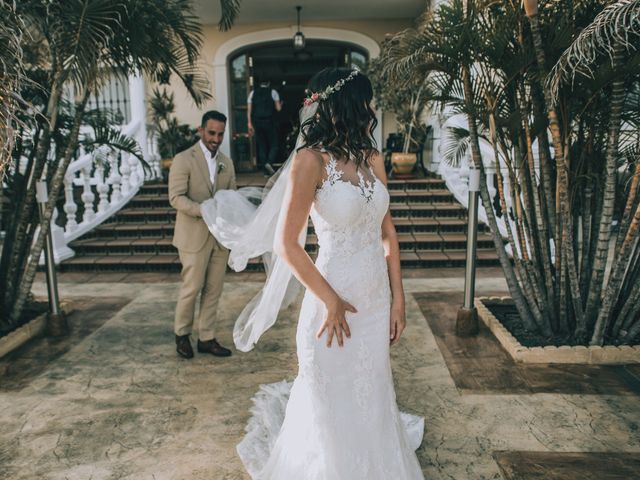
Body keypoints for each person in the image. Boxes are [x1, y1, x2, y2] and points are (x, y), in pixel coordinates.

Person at [202, 68, 424, 479]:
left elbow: (387, 233)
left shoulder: (373, 159)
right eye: (365, 101)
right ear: (346, 105)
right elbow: (288, 244)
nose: (370, 109)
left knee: (372, 396)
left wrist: (399, 300)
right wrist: (331, 301)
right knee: (330, 406)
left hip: (374, 304)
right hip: (330, 303)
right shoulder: (310, 162)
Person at [168, 110, 237, 359]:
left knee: (213, 290)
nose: (216, 139)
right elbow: (175, 197)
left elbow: (231, 198)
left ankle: (206, 338)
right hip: (193, 237)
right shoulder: (184, 159)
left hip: (218, 239)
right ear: (201, 130)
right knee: (192, 287)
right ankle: (182, 334)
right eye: (211, 133)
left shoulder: (226, 163)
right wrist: (204, 210)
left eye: (220, 134)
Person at [247, 79, 282, 175]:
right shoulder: (273, 92)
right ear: (269, 83)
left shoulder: (252, 93)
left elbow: (249, 110)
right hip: (270, 122)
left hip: (257, 123)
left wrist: (249, 123)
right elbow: (278, 108)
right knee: (274, 144)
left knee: (261, 145)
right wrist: (281, 104)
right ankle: (269, 162)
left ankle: (265, 170)